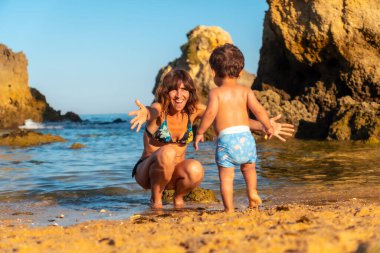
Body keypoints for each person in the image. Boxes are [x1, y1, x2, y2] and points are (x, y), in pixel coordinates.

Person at [129, 69, 294, 210]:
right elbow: (152, 111)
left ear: (190, 92)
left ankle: (178, 199)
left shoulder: (192, 111)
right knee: (167, 152)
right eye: (174, 90)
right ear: (166, 92)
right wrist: (145, 113)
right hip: (147, 174)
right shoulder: (160, 110)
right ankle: (156, 200)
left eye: (184, 90)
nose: (179, 95)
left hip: (173, 175)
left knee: (196, 168)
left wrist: (265, 126)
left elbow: (229, 119)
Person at [194, 43, 291, 213]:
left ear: (213, 72)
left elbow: (209, 114)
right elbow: (259, 110)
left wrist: (200, 132)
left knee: (226, 177)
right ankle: (252, 193)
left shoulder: (215, 93)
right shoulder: (245, 91)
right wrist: (268, 126)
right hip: (246, 138)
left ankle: (229, 209)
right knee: (249, 169)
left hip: (226, 141)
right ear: (240, 72)